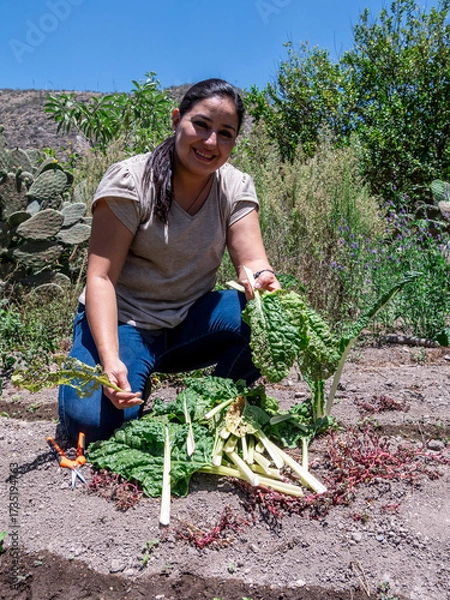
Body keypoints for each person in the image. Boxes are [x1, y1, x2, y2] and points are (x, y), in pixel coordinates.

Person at [58, 78, 280, 443]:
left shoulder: (235, 185)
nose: (211, 143)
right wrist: (111, 361)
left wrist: (261, 277)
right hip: (123, 323)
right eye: (201, 125)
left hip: (186, 323)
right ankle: (123, 366)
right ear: (177, 119)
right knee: (90, 426)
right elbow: (101, 278)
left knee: (267, 319)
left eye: (226, 134)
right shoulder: (131, 181)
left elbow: (253, 260)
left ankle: (212, 407)